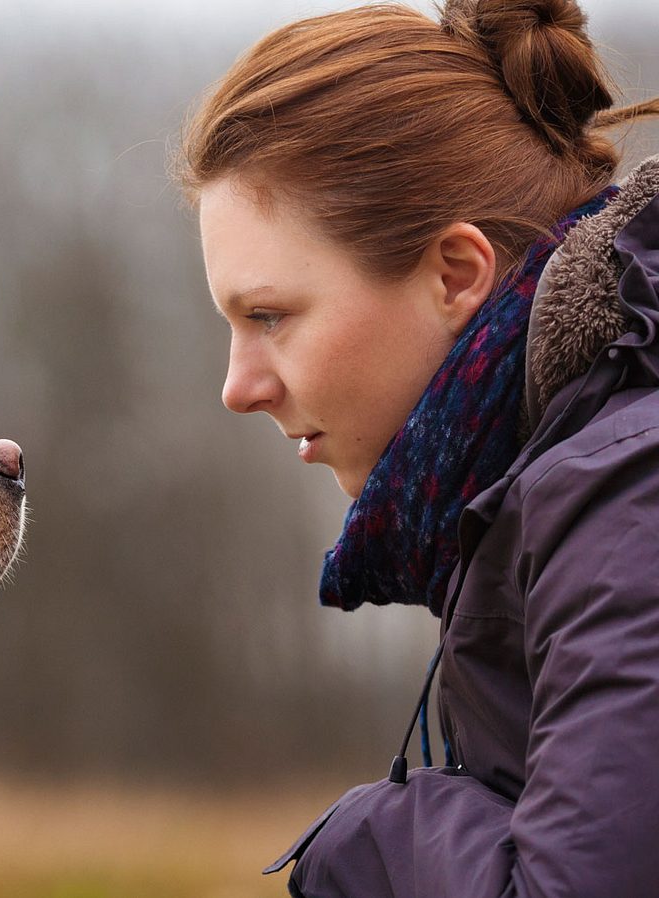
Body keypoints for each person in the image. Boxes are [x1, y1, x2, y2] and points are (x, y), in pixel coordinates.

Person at [181, 0, 659, 895]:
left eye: (270, 316)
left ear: (456, 275)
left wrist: (369, 838)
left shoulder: (625, 496)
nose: (238, 387)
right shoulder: (555, 479)